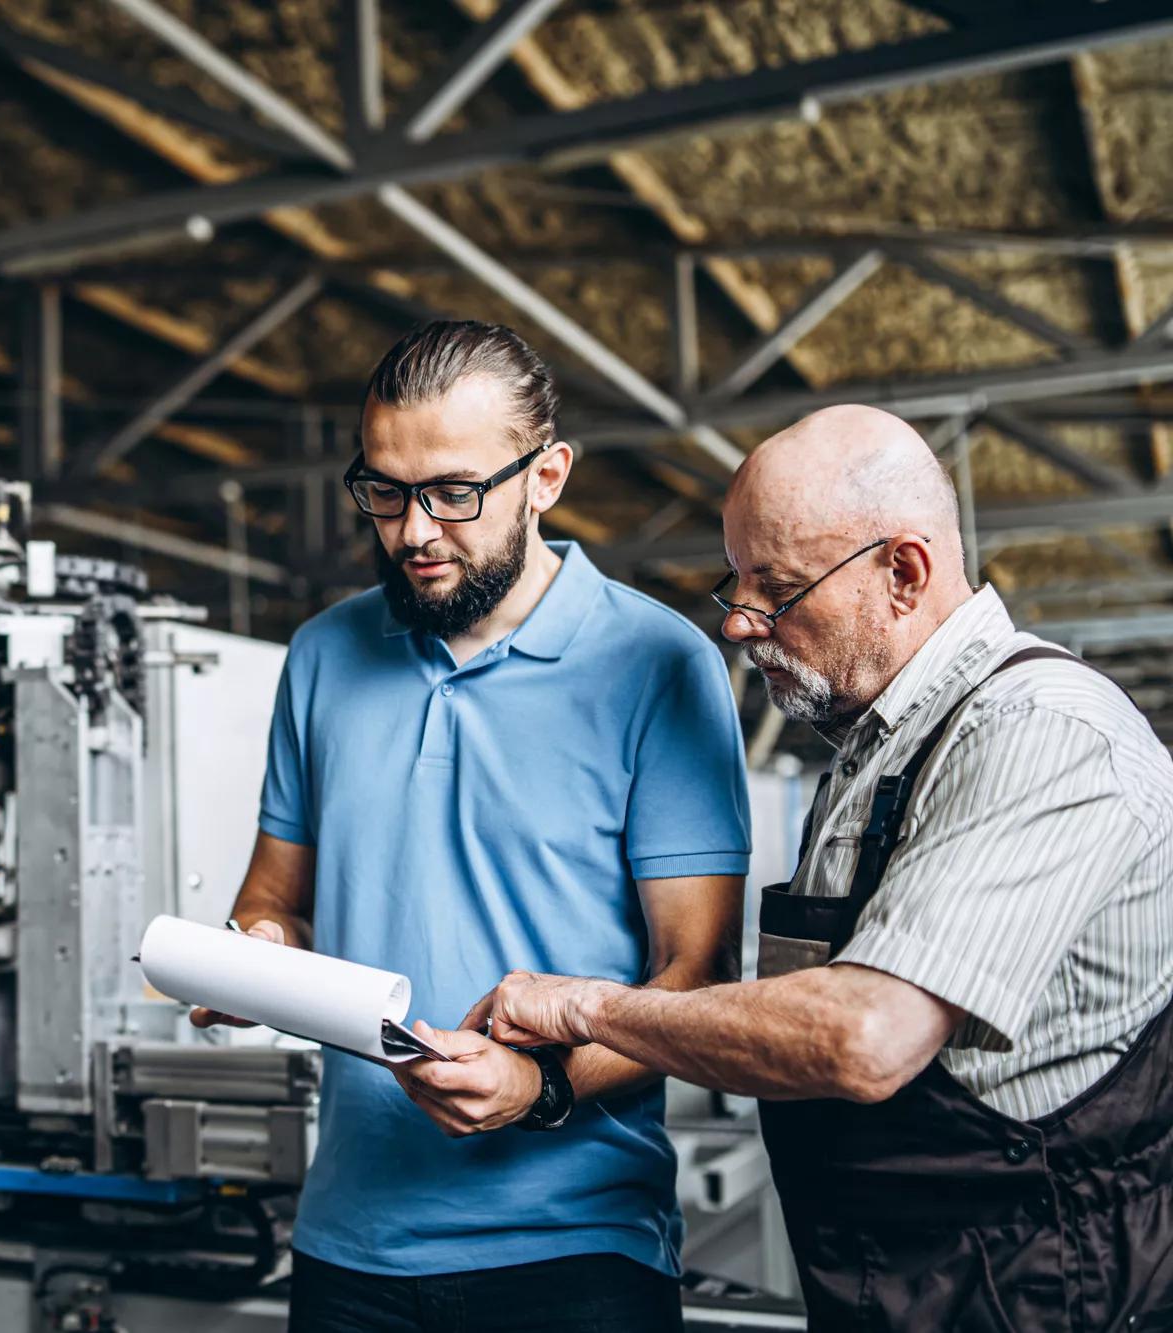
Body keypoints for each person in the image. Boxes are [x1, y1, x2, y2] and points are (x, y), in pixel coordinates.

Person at [473, 404, 1173, 1329]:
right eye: (738, 583)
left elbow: (863, 1036)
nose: (741, 624)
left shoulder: (1042, 732)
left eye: (781, 589)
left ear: (904, 572)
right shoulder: (871, 751)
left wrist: (582, 1006)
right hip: (901, 1286)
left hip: (1049, 1296)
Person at [194, 320, 751, 1332]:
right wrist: (249, 964)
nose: (412, 531)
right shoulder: (322, 655)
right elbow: (273, 904)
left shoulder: (656, 664)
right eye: (384, 491)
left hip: (577, 1254)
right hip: (347, 1247)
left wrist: (538, 1086)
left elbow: (697, 978)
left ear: (545, 477)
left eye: (454, 493)